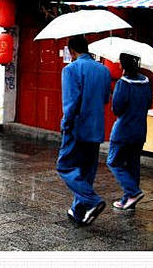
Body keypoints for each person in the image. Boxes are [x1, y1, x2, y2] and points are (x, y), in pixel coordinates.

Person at [56, 35, 111, 225]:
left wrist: (65, 124)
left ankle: (92, 200)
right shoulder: (104, 70)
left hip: (77, 127)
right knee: (87, 170)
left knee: (65, 166)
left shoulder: (70, 70)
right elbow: (105, 99)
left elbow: (70, 104)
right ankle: (78, 211)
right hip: (96, 127)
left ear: (71, 51)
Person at [107, 53, 152, 210]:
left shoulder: (123, 83)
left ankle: (132, 192)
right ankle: (129, 200)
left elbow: (117, 109)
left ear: (122, 65)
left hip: (123, 130)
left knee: (114, 161)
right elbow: (148, 104)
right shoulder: (146, 82)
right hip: (140, 130)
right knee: (133, 164)